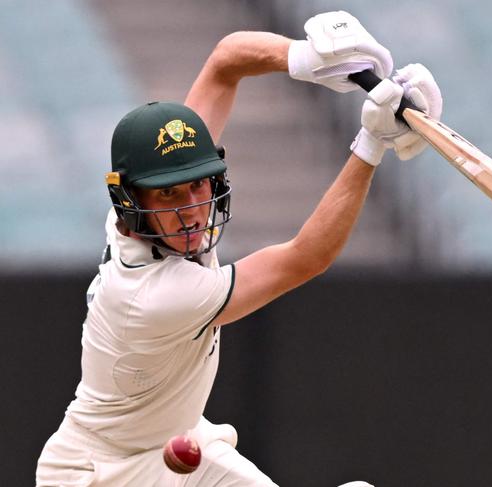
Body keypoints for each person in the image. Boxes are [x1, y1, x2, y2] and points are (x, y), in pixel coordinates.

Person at [35, 11, 442, 487]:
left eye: (197, 185)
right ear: (131, 201)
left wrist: (305, 59)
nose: (191, 209)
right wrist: (371, 143)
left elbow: (225, 63)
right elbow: (305, 258)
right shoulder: (154, 297)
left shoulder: (136, 219)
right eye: (168, 193)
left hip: (172, 443)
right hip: (96, 474)